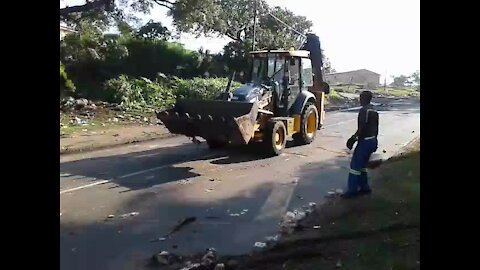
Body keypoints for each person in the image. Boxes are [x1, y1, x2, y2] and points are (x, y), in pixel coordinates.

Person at [342, 91, 379, 198]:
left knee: (355, 166)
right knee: (362, 166)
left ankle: (352, 191)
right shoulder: (374, 110)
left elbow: (361, 128)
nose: (359, 100)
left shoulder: (364, 110)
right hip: (372, 140)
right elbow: (375, 128)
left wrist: (353, 139)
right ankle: (365, 187)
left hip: (365, 141)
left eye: (360, 98)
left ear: (364, 99)